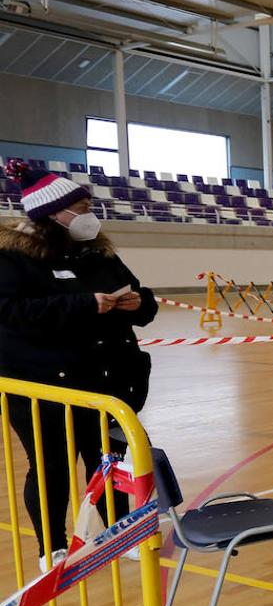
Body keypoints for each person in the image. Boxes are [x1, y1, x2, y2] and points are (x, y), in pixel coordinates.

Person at [0, 160, 157, 570]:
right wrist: (84, 304)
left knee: (108, 462)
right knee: (51, 464)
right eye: (81, 207)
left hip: (107, 379)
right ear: (54, 213)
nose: (89, 215)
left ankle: (121, 532)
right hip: (44, 384)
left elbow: (137, 296)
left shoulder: (97, 254)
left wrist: (141, 303)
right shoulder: (13, 258)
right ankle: (50, 547)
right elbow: (12, 313)